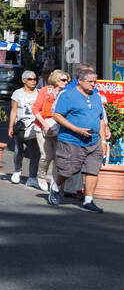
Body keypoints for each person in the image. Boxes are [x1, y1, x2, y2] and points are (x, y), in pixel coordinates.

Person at [48, 65, 112, 212]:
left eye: (95, 82)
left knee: (92, 170)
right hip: (72, 140)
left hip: (93, 141)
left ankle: (88, 201)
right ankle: (56, 186)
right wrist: (76, 129)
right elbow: (57, 115)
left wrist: (103, 141)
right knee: (68, 170)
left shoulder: (96, 96)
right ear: (79, 81)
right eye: (90, 81)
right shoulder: (67, 95)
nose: (93, 84)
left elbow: (101, 119)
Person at [32, 69, 68, 193]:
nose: (66, 82)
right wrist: (45, 124)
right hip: (42, 125)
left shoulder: (66, 93)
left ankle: (54, 182)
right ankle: (41, 176)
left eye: (67, 80)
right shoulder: (45, 91)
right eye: (63, 80)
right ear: (56, 80)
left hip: (60, 127)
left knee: (59, 157)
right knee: (47, 155)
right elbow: (35, 109)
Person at [7, 70, 41, 186]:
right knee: (18, 150)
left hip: (35, 126)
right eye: (30, 79)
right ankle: (17, 171)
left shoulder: (39, 93)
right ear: (24, 80)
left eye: (35, 79)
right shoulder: (17, 93)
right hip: (21, 126)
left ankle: (32, 177)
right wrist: (11, 126)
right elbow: (14, 110)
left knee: (36, 153)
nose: (33, 81)